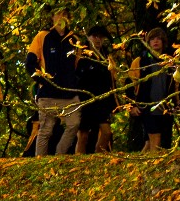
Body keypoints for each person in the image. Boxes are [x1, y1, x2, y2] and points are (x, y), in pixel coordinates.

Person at [27, 10, 82, 155]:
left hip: (69, 93)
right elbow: (29, 63)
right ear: (52, 17)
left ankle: (59, 155)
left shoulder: (75, 40)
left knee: (74, 124)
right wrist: (43, 81)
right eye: (58, 13)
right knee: (46, 130)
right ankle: (41, 163)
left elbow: (78, 66)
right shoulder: (42, 36)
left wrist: (73, 82)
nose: (61, 17)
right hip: (48, 93)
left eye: (65, 13)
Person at [129, 27, 177, 151]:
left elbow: (176, 85)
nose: (155, 41)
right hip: (146, 107)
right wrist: (131, 106)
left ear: (163, 42)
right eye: (152, 39)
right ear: (148, 42)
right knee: (155, 137)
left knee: (151, 143)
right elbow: (129, 84)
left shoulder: (170, 63)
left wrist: (178, 103)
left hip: (165, 108)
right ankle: (153, 166)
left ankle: (140, 166)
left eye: (158, 39)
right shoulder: (140, 62)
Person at [75, 25, 116, 154]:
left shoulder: (106, 56)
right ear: (89, 37)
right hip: (85, 100)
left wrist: (113, 101)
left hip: (102, 100)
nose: (98, 39)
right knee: (83, 135)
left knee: (106, 132)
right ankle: (79, 161)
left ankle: (98, 156)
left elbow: (111, 80)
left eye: (101, 37)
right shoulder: (81, 54)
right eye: (95, 36)